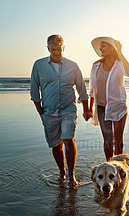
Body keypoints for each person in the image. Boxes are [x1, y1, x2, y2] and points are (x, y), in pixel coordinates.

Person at [31, 34, 92, 188]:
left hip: (68, 110)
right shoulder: (39, 65)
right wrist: (42, 113)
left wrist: (86, 110)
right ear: (48, 49)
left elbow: (81, 89)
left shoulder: (73, 66)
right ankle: (62, 172)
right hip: (48, 112)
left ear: (64, 48)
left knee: (69, 140)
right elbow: (34, 90)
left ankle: (71, 176)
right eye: (53, 49)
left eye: (59, 49)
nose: (57, 52)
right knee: (56, 145)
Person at [89, 36, 129, 161]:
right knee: (107, 140)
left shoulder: (120, 65)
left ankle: (119, 166)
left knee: (118, 140)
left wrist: (120, 52)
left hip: (118, 107)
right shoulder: (96, 66)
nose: (101, 48)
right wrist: (89, 108)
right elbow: (92, 89)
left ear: (111, 48)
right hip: (102, 108)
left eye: (104, 46)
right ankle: (109, 165)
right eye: (100, 46)